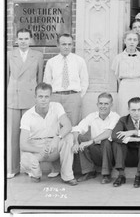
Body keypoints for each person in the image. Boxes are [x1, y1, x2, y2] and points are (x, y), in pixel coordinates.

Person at [19, 83, 76, 185]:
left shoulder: (57, 107)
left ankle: (67, 176)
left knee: (69, 137)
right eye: (40, 96)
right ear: (35, 97)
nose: (43, 99)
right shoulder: (27, 116)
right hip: (37, 148)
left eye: (46, 96)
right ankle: (35, 174)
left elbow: (68, 125)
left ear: (50, 97)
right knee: (25, 159)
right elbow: (23, 145)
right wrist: (40, 149)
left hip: (53, 146)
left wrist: (57, 138)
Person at [6, 28, 44, 179]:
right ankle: (12, 168)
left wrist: (39, 98)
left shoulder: (38, 56)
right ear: (16, 40)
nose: (23, 42)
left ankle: (30, 167)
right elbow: (5, 77)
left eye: (26, 39)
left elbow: (40, 79)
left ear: (31, 40)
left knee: (30, 136)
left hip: (30, 99)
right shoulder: (9, 55)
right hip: (13, 98)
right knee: (13, 135)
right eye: (20, 39)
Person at [71, 92, 120, 184]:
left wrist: (90, 141)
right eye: (101, 103)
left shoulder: (115, 117)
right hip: (96, 151)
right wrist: (76, 143)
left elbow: (108, 133)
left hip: (110, 153)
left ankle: (106, 173)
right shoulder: (92, 116)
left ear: (111, 105)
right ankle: (89, 171)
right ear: (97, 104)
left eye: (106, 104)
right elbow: (76, 129)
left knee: (106, 141)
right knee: (80, 137)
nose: (103, 106)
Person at [43, 34, 89, 125]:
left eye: (69, 44)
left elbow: (84, 81)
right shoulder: (51, 62)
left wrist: (78, 96)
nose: (67, 47)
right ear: (58, 45)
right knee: (55, 125)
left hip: (73, 97)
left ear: (72, 45)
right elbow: (47, 82)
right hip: (55, 97)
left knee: (73, 126)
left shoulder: (79, 61)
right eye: (64, 44)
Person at [111, 97, 140, 188]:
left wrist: (134, 132)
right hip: (128, 156)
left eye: (139, 109)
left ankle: (139, 176)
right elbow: (114, 136)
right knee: (117, 143)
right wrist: (134, 139)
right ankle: (121, 175)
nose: (136, 113)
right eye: (133, 110)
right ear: (128, 109)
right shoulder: (123, 120)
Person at [112, 31, 140, 116]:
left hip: (139, 85)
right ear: (124, 41)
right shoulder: (118, 57)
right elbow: (116, 75)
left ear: (138, 42)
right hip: (125, 85)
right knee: (124, 108)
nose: (132, 42)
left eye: (135, 40)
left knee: (139, 108)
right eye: (129, 39)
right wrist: (123, 84)